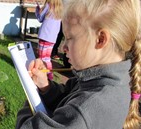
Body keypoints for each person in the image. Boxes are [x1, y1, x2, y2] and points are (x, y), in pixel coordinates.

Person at [16, 0, 141, 129]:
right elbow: (65, 96)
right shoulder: (99, 82)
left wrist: (31, 95)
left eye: (69, 38)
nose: (63, 47)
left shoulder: (85, 109)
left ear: (100, 39)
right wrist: (45, 87)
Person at [35, 0, 64, 80]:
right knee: (47, 58)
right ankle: (49, 74)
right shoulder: (60, 9)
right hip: (52, 38)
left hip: (45, 36)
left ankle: (44, 75)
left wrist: (37, 10)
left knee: (42, 58)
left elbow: (40, 18)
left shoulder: (48, 5)